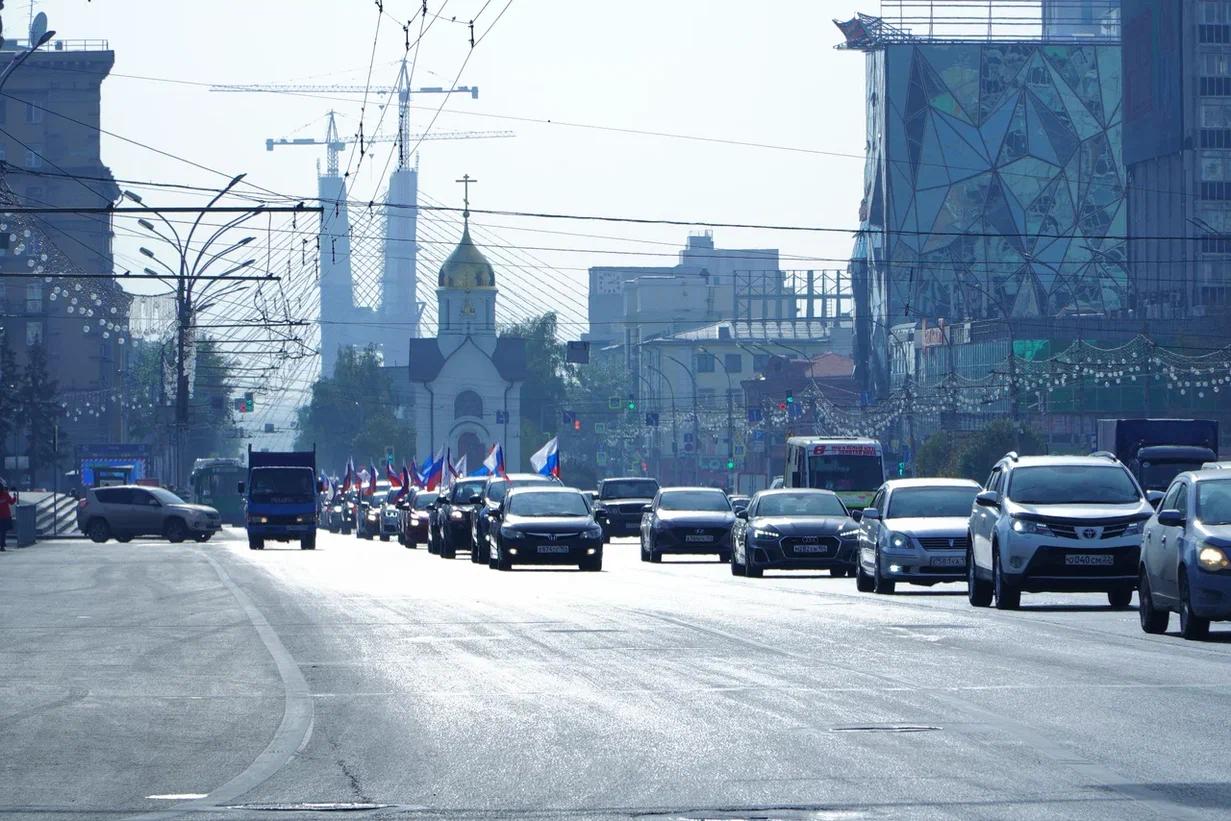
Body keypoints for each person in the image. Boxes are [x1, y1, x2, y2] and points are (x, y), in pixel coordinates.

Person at [0, 479, 17, 551]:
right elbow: (12, 502)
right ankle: (2, 545)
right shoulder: (6, 494)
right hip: (5, 516)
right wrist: (15, 496)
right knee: (3, 531)